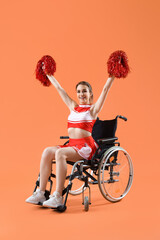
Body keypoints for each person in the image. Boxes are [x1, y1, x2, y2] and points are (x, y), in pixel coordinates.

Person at [26, 74, 115, 208]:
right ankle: (41, 192)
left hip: (85, 147)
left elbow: (105, 89)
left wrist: (112, 74)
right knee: (47, 151)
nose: (81, 94)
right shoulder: (73, 106)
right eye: (78, 91)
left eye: (84, 91)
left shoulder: (93, 110)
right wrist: (49, 74)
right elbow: (59, 88)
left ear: (90, 94)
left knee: (60, 153)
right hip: (72, 144)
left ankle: (58, 196)